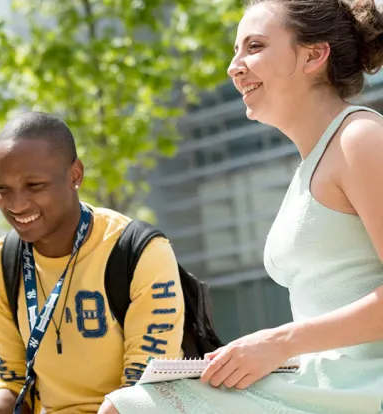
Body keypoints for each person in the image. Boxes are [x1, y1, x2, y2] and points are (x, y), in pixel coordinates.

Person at [100, 0, 383, 413]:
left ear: (313, 55)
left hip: (363, 384)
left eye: (254, 46)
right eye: (236, 51)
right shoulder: (311, 166)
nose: (235, 66)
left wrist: (278, 342)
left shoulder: (360, 138)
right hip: (319, 377)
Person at [0, 112, 185, 414]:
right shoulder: (1, 266)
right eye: (3, 189)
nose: (16, 205)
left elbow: (144, 392)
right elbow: (15, 385)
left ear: (75, 175)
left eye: (34, 185)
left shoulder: (140, 253)